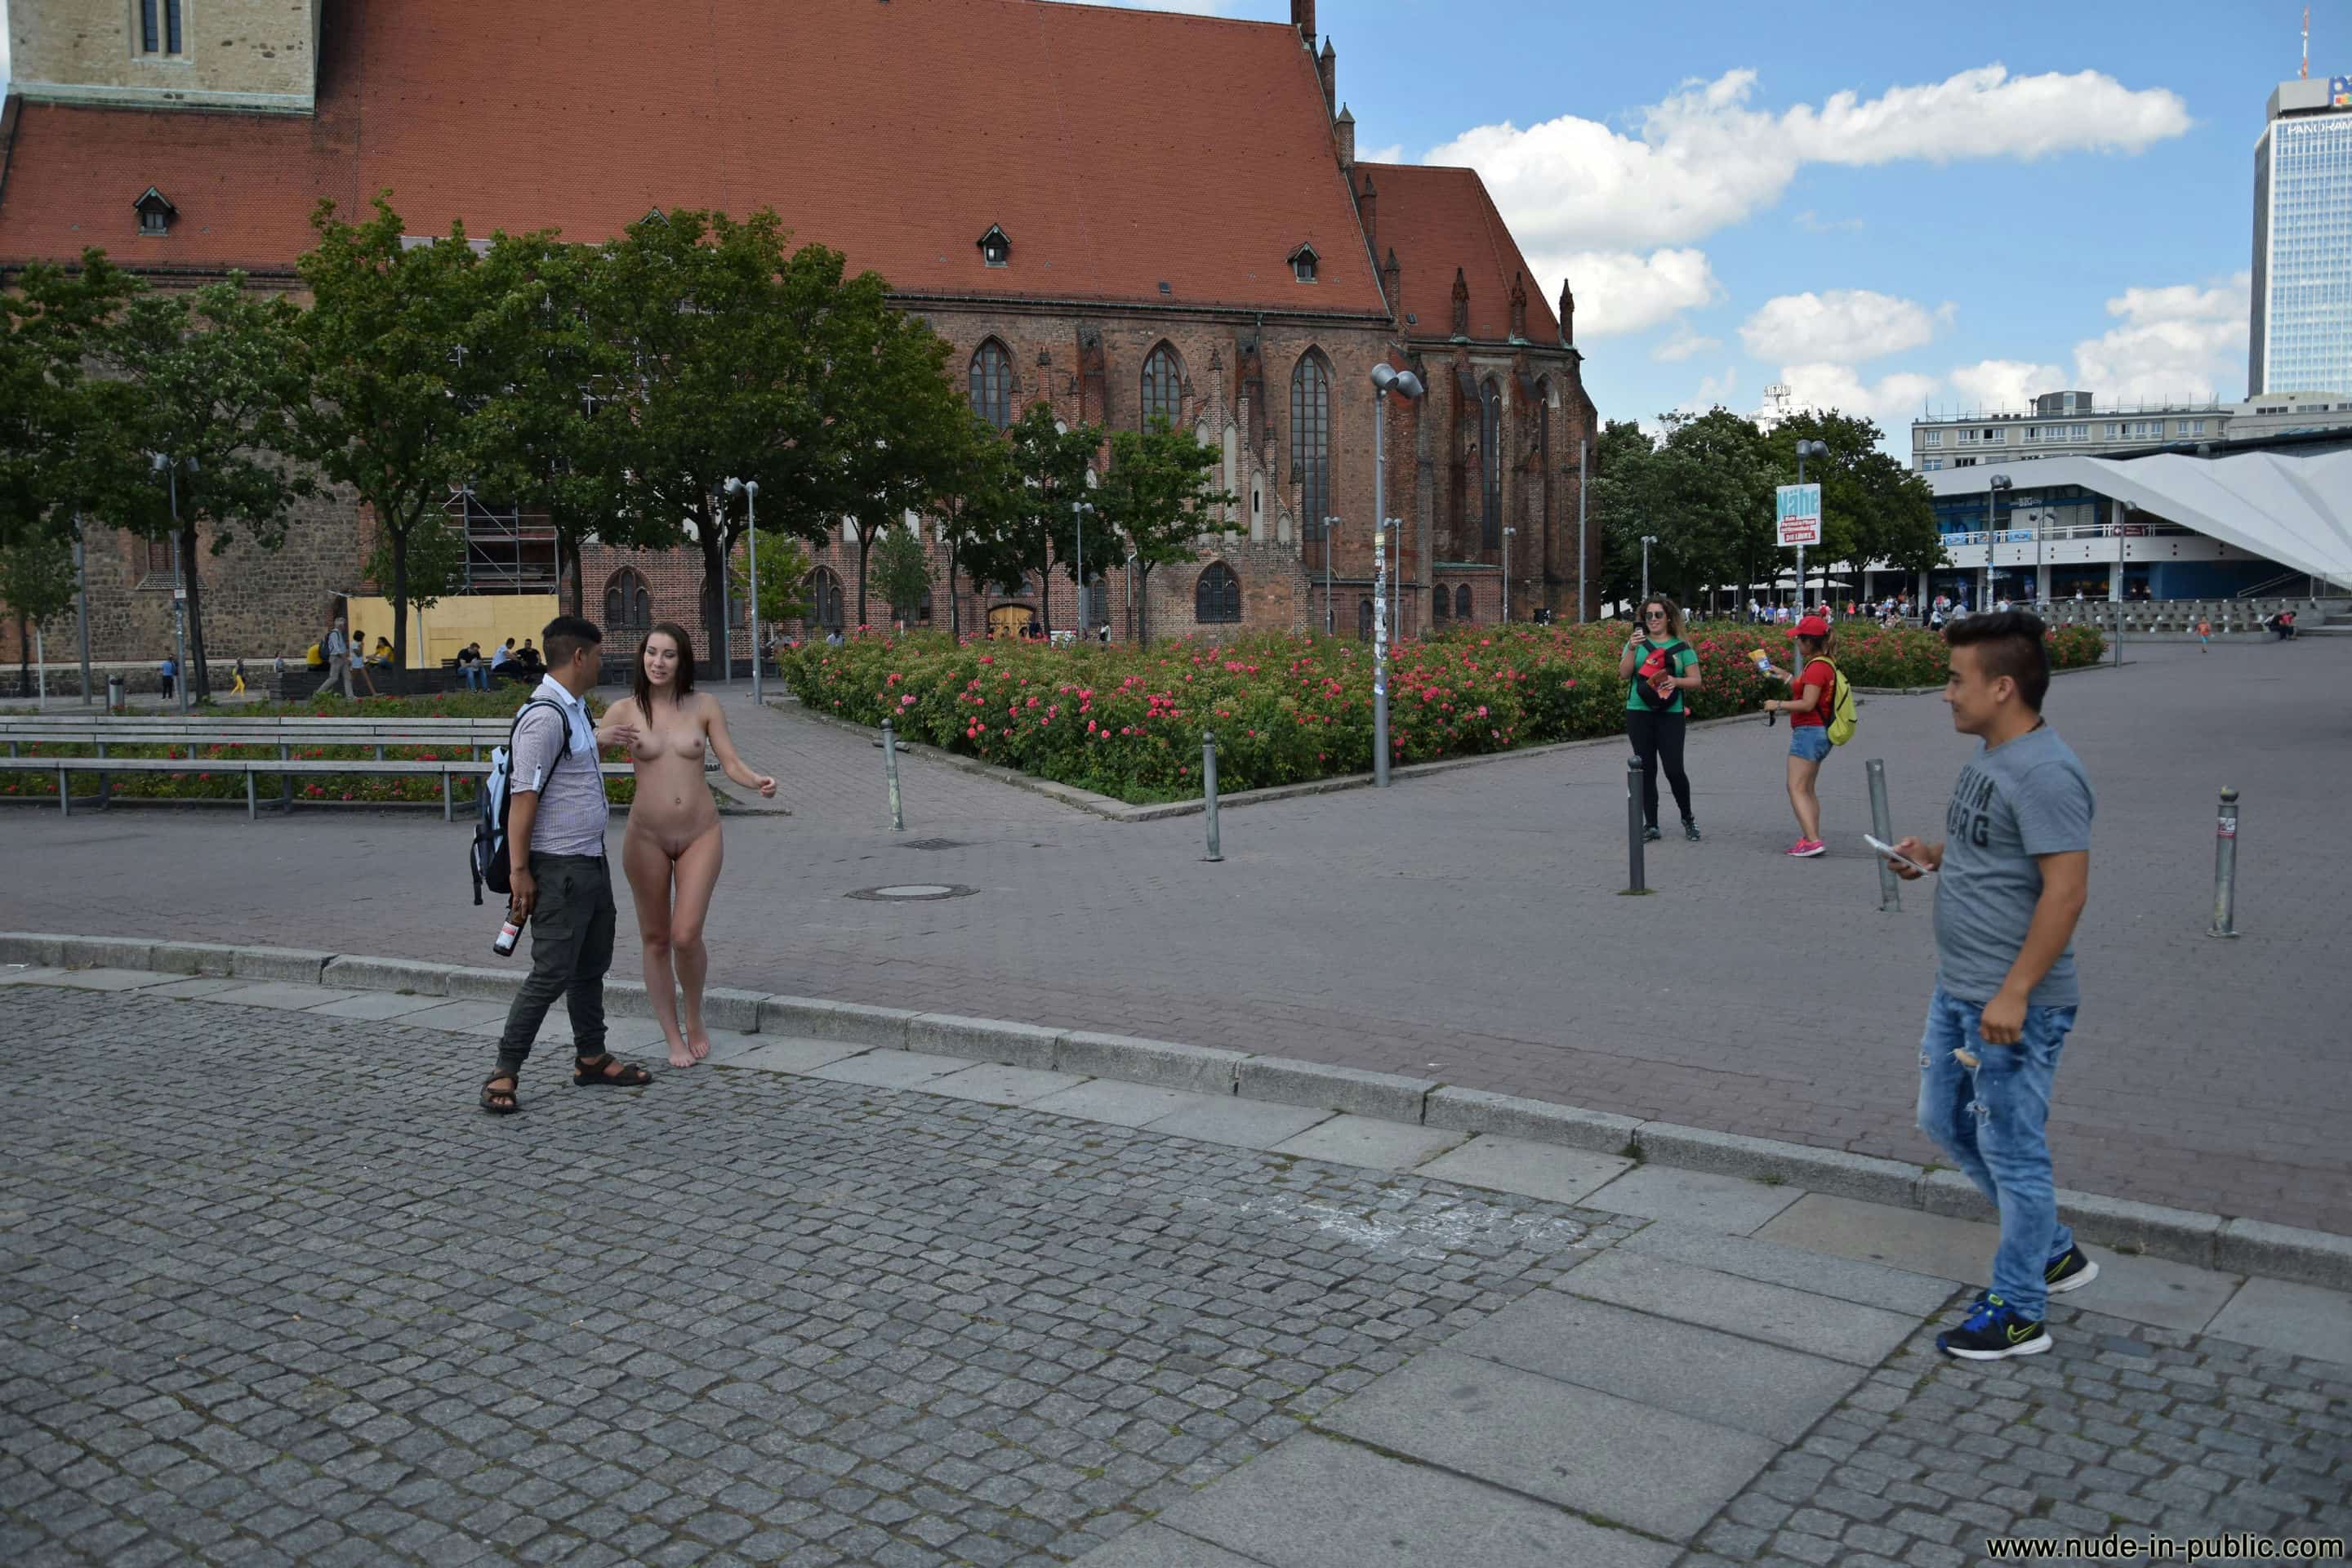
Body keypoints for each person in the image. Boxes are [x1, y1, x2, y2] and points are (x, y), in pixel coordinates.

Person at [1884, 611, 2098, 1360]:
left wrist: (2016, 993)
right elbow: (1994, 848)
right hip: (1960, 988)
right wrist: (1933, 856)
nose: (1946, 694)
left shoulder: (2047, 772)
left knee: (2013, 1151)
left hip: (2012, 1005)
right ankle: (2052, 1250)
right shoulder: (1993, 757)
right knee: (1944, 1120)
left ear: (2002, 687)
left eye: (1956, 680)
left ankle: (2019, 1311)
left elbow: (2066, 892)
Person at [479, 615, 653, 1116]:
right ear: (578, 657)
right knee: (551, 972)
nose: (602, 662)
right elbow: (524, 797)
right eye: (597, 655)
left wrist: (601, 739)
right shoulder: (544, 716)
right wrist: (520, 873)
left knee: (589, 968)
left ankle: (591, 1057)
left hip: (590, 862)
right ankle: (505, 1069)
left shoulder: (573, 710)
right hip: (559, 869)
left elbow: (569, 760)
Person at [602, 623, 777, 1070]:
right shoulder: (623, 710)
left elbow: (730, 761)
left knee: (685, 935)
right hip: (646, 837)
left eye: (669, 654)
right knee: (656, 939)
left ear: (683, 661)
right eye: (651, 653)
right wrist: (598, 739)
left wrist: (756, 780)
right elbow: (581, 757)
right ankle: (672, 1035)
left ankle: (694, 1014)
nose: (658, 662)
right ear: (642, 656)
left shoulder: (705, 705)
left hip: (701, 832)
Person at [1618, 595, 1702, 844]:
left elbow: (1696, 680)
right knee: (1646, 769)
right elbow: (1624, 674)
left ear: (1669, 618)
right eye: (1648, 616)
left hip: (1670, 714)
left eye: (1658, 615)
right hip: (1639, 711)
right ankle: (1651, 824)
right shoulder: (1636, 644)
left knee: (1674, 769)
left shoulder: (1682, 647)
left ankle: (1687, 818)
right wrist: (1632, 648)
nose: (1653, 620)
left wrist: (1676, 681)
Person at [1761, 613, 1836, 858]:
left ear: (1809, 642)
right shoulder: (1824, 663)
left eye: (1799, 639)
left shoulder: (1816, 668)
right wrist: (1785, 675)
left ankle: (1813, 841)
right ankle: (1811, 836)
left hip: (1809, 732)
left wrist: (1777, 704)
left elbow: (1808, 703)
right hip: (1820, 732)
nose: (1797, 643)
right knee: (1807, 789)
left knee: (1795, 787)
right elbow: (1807, 690)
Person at [312, 616, 355, 699]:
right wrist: (346, 659)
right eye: (344, 625)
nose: (345, 627)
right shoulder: (334, 634)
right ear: (340, 626)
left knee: (348, 677)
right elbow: (337, 649)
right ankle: (317, 695)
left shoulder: (339, 633)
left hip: (342, 658)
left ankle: (350, 697)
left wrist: (346, 656)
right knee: (333, 678)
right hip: (336, 658)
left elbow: (341, 648)